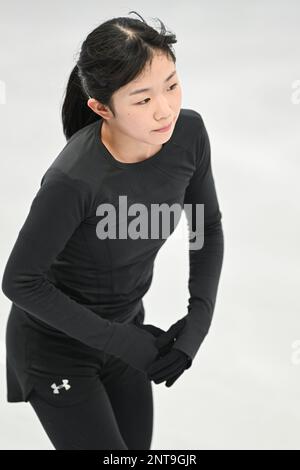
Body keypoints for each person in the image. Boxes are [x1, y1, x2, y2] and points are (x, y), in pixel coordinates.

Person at [1, 11, 224, 450]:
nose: (165, 110)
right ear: (102, 108)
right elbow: (20, 281)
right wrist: (123, 341)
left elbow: (206, 225)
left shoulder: (189, 134)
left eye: (172, 85)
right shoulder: (74, 179)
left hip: (126, 335)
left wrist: (198, 321)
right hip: (55, 349)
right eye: (142, 100)